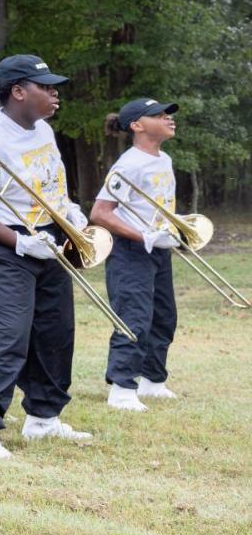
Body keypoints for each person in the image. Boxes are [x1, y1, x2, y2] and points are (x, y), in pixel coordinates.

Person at [0, 54, 88, 459]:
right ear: (18, 91)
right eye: (46, 87)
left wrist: (69, 213)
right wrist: (16, 241)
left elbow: (47, 182)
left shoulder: (42, 129)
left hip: (45, 236)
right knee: (7, 331)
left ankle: (43, 419)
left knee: (54, 330)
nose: (54, 93)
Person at [91, 98, 182, 412]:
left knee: (164, 316)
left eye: (169, 114)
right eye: (159, 115)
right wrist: (143, 235)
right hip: (130, 251)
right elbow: (101, 213)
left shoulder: (164, 159)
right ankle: (122, 388)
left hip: (158, 249)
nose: (169, 119)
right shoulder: (128, 164)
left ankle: (153, 382)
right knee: (134, 318)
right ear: (137, 125)